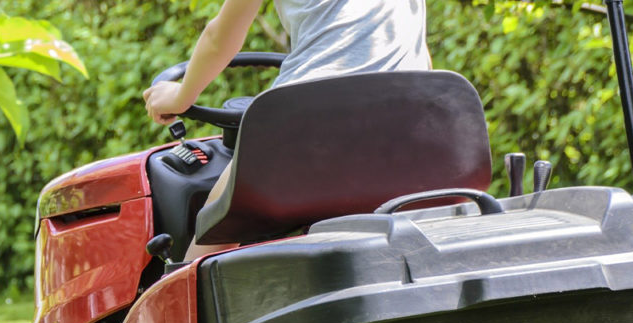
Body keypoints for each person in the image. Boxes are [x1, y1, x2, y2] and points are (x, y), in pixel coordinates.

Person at [143, 0, 432, 260]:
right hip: (416, 128)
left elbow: (219, 38)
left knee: (213, 228)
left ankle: (184, 310)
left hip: (311, 122)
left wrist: (180, 97)